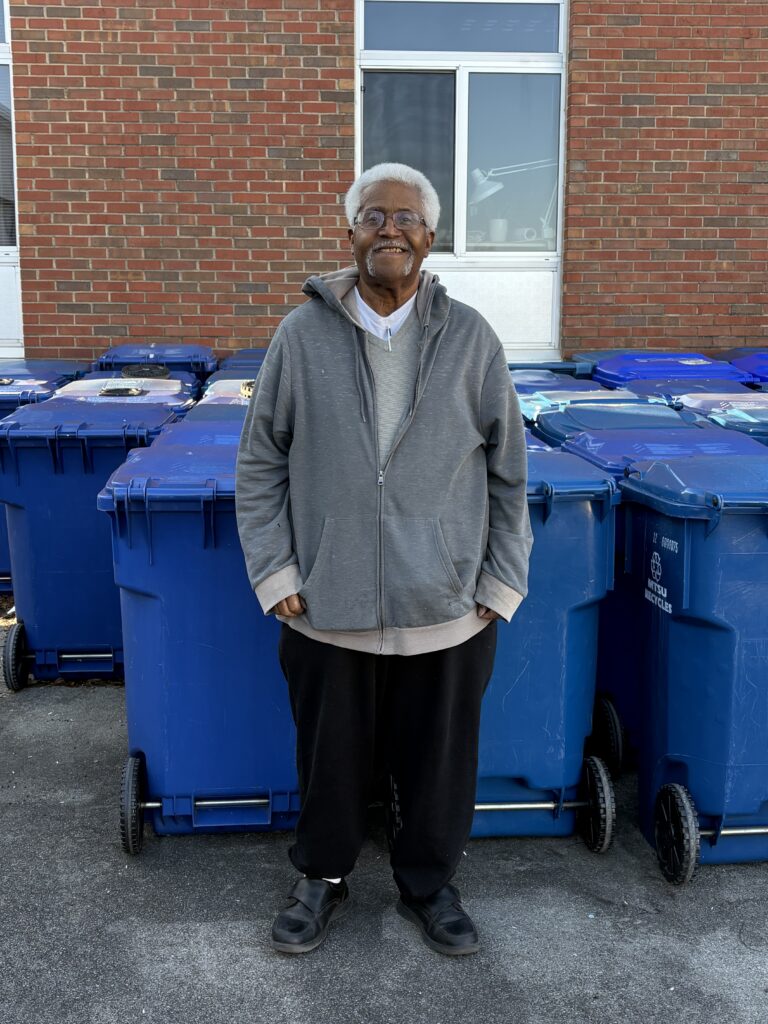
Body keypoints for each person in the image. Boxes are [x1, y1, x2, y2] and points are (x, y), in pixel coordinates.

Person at [235, 162, 532, 956]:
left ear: (431, 238)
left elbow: (509, 473)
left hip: (448, 606)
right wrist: (277, 572)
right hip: (324, 605)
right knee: (329, 760)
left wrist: (500, 584)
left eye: (405, 217)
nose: (389, 229)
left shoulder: (471, 338)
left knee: (438, 763)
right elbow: (260, 461)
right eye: (373, 216)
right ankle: (322, 876)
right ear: (351, 233)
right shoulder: (300, 336)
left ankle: (429, 884)